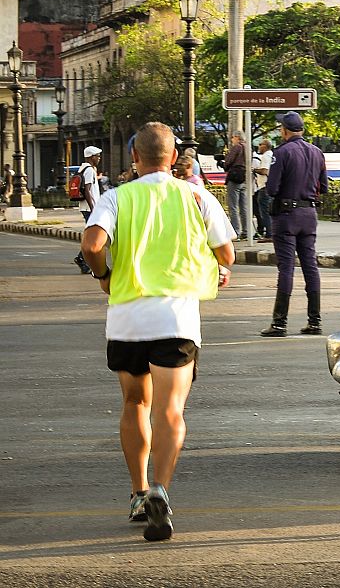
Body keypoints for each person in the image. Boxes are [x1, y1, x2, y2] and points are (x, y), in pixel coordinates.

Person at [79, 122, 235, 542]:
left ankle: (137, 491)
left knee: (134, 403)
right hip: (176, 320)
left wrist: (104, 275)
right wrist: (218, 268)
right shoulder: (198, 196)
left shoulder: (116, 197)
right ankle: (161, 490)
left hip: (127, 320)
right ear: (173, 157)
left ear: (135, 158)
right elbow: (227, 253)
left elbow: (92, 245)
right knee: (170, 410)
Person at [262, 111, 326, 337]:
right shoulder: (317, 152)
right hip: (309, 214)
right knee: (310, 267)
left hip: (286, 216)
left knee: (286, 269)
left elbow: (271, 189)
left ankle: (279, 324)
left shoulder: (281, 153)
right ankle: (315, 321)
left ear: (284, 131)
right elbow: (324, 187)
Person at [72, 146, 105, 275]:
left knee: (92, 235)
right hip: (89, 208)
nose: (99, 158)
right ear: (92, 157)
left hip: (86, 207)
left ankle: (82, 259)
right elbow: (87, 190)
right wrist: (94, 209)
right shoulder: (89, 170)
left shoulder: (84, 168)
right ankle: (82, 259)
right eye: (97, 156)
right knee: (94, 236)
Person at [222, 133, 250, 240]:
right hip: (245, 177)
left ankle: (235, 231)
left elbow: (228, 161)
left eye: (233, 137)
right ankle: (246, 231)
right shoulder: (248, 148)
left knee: (233, 206)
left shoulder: (237, 147)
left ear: (237, 137)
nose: (232, 139)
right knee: (244, 206)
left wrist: (224, 164)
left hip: (235, 177)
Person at [252, 138, 274, 241]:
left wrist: (254, 170)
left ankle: (269, 234)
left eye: (260, 144)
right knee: (267, 210)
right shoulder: (271, 155)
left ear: (265, 146)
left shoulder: (265, 156)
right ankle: (270, 232)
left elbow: (265, 171)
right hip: (269, 185)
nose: (259, 146)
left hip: (264, 187)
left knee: (264, 211)